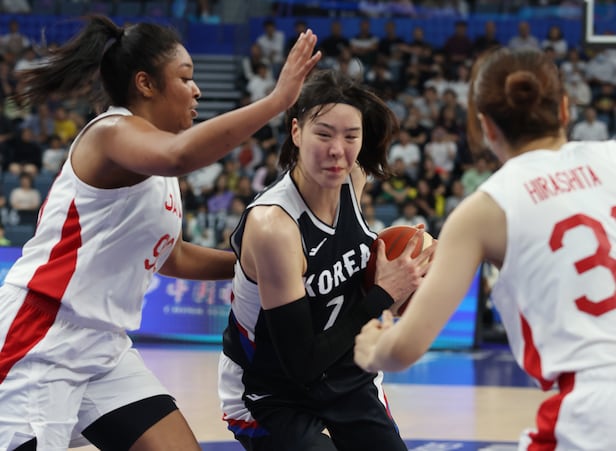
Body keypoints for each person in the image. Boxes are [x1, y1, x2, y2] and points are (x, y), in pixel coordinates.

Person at [0, 14, 320, 451]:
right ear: (145, 84)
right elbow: (178, 156)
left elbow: (174, 256)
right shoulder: (111, 133)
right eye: (185, 78)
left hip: (104, 348)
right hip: (43, 334)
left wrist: (260, 265)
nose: (197, 90)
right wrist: (277, 101)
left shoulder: (159, 169)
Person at [354, 47, 616, 449]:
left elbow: (404, 349)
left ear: (486, 127)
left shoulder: (484, 209)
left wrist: (373, 348)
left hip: (595, 408)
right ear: (565, 109)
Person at [218, 69, 434, 451]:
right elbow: (301, 363)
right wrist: (383, 294)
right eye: (324, 134)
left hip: (344, 370)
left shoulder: (353, 178)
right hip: (269, 389)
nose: (338, 150)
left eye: (351, 136)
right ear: (296, 132)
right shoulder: (275, 227)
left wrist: (417, 258)